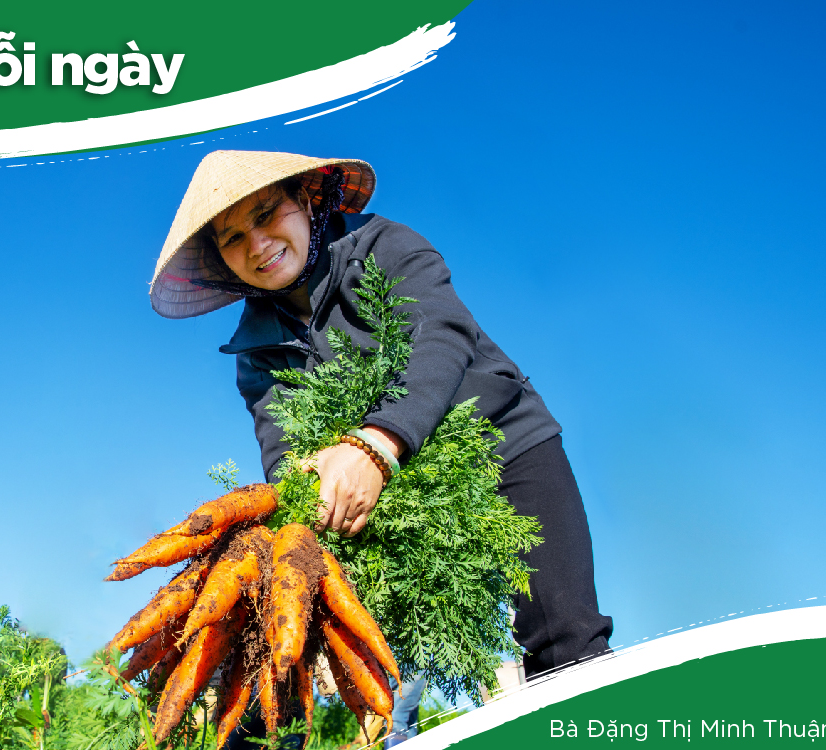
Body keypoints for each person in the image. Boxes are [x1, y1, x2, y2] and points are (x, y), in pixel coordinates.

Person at [150, 151, 613, 733]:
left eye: (268, 214)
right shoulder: (256, 351)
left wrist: (376, 444)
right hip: (388, 515)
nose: (258, 242)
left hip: (501, 449)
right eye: (233, 236)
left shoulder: (385, 247)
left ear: (307, 200)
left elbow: (440, 341)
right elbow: (283, 457)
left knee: (566, 643)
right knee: (368, 688)